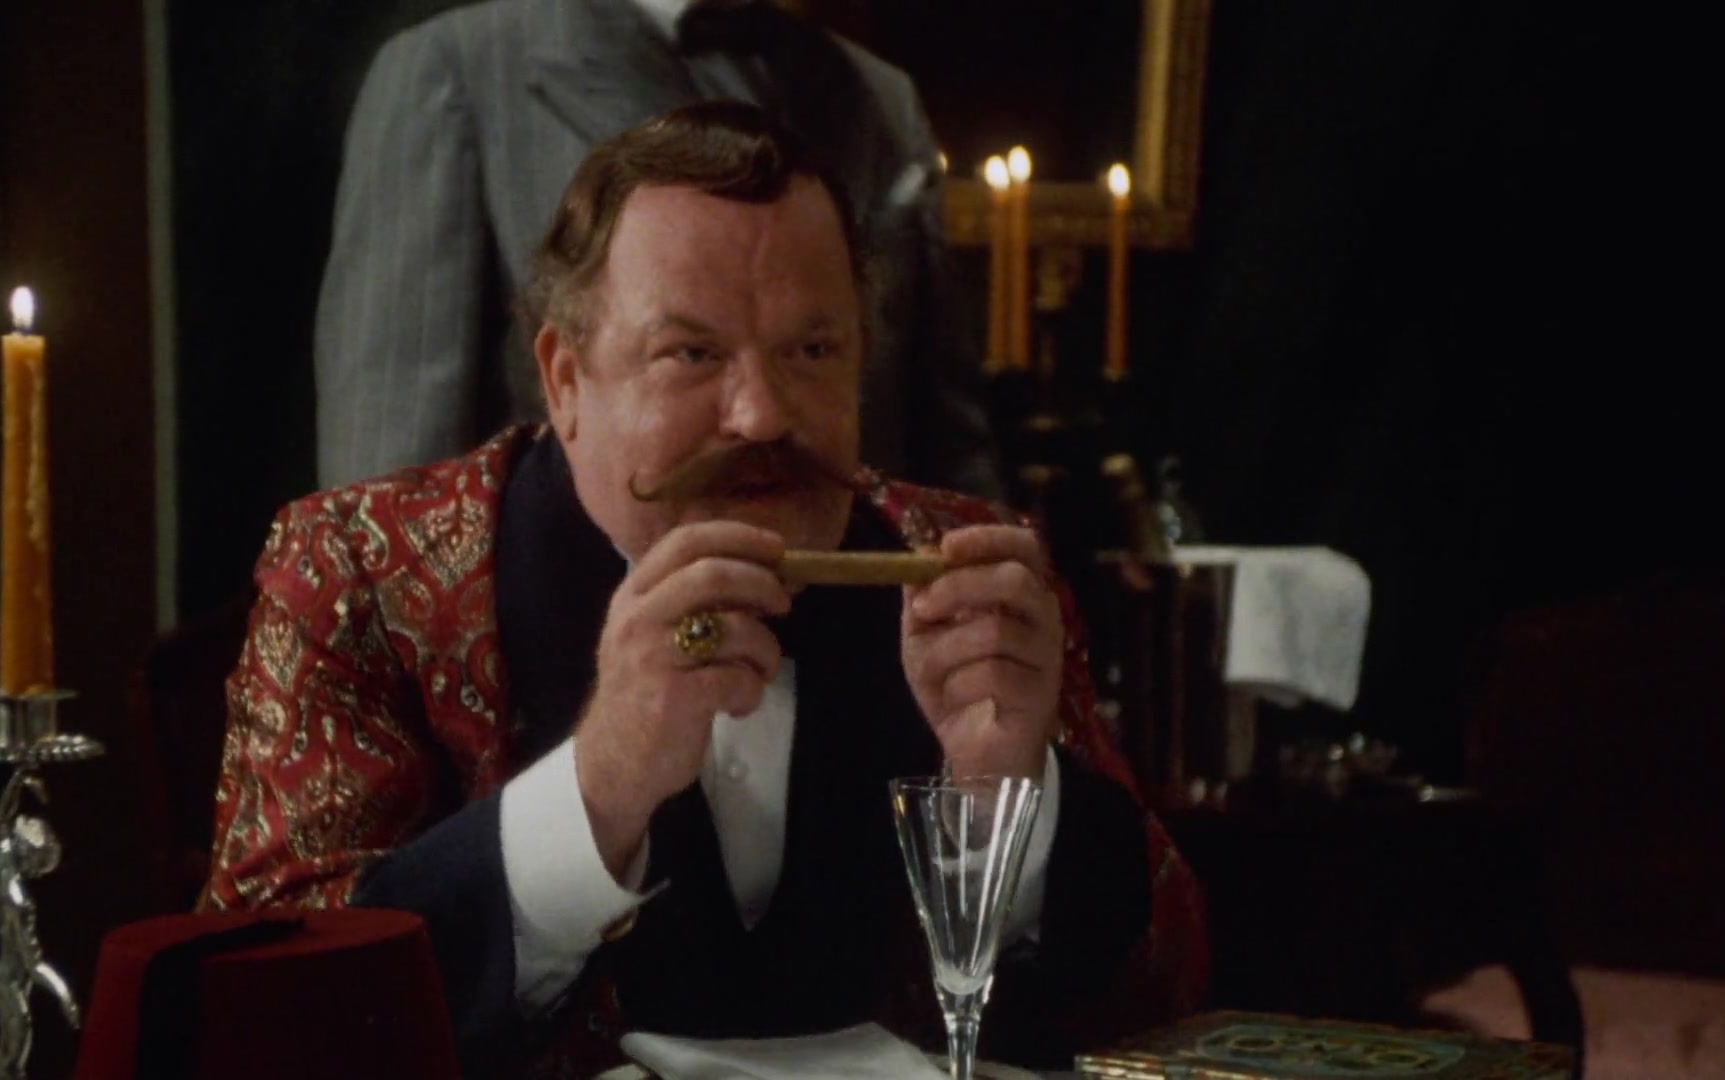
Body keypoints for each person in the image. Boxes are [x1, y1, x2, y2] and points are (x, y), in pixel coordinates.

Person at [210, 103, 1204, 1079]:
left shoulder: (965, 569)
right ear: (565, 379)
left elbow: (1174, 994)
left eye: (812, 350)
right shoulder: (357, 573)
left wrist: (1007, 808)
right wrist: (595, 789)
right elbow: (257, 1013)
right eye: (692, 354)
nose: (762, 415)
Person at [315, 0, 1000, 500]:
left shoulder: (880, 98)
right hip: (568, 638)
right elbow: (386, 486)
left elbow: (947, 448)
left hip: (850, 636)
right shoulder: (460, 71)